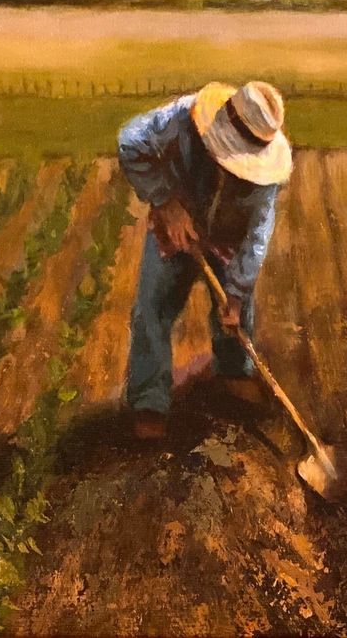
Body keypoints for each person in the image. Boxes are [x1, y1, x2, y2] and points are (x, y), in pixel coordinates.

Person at [116, 81, 292, 440]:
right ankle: (150, 401)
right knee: (152, 309)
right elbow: (129, 141)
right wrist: (165, 202)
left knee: (235, 314)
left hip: (229, 236)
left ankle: (234, 373)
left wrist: (238, 290)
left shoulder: (265, 182)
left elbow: (257, 235)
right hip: (176, 223)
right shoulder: (180, 119)